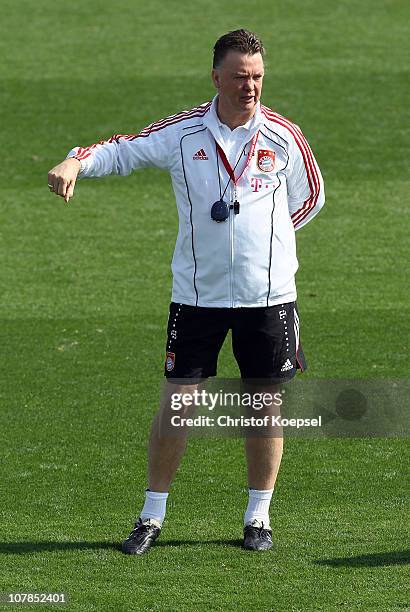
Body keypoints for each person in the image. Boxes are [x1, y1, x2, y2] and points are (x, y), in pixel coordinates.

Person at [47, 29, 325, 554]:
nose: (251, 86)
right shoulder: (183, 133)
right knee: (178, 406)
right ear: (216, 76)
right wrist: (76, 161)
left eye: (258, 76)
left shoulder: (285, 137)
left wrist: (265, 249)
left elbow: (309, 198)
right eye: (240, 76)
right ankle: (152, 516)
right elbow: (122, 150)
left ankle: (258, 517)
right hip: (197, 296)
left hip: (269, 300)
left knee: (264, 406)